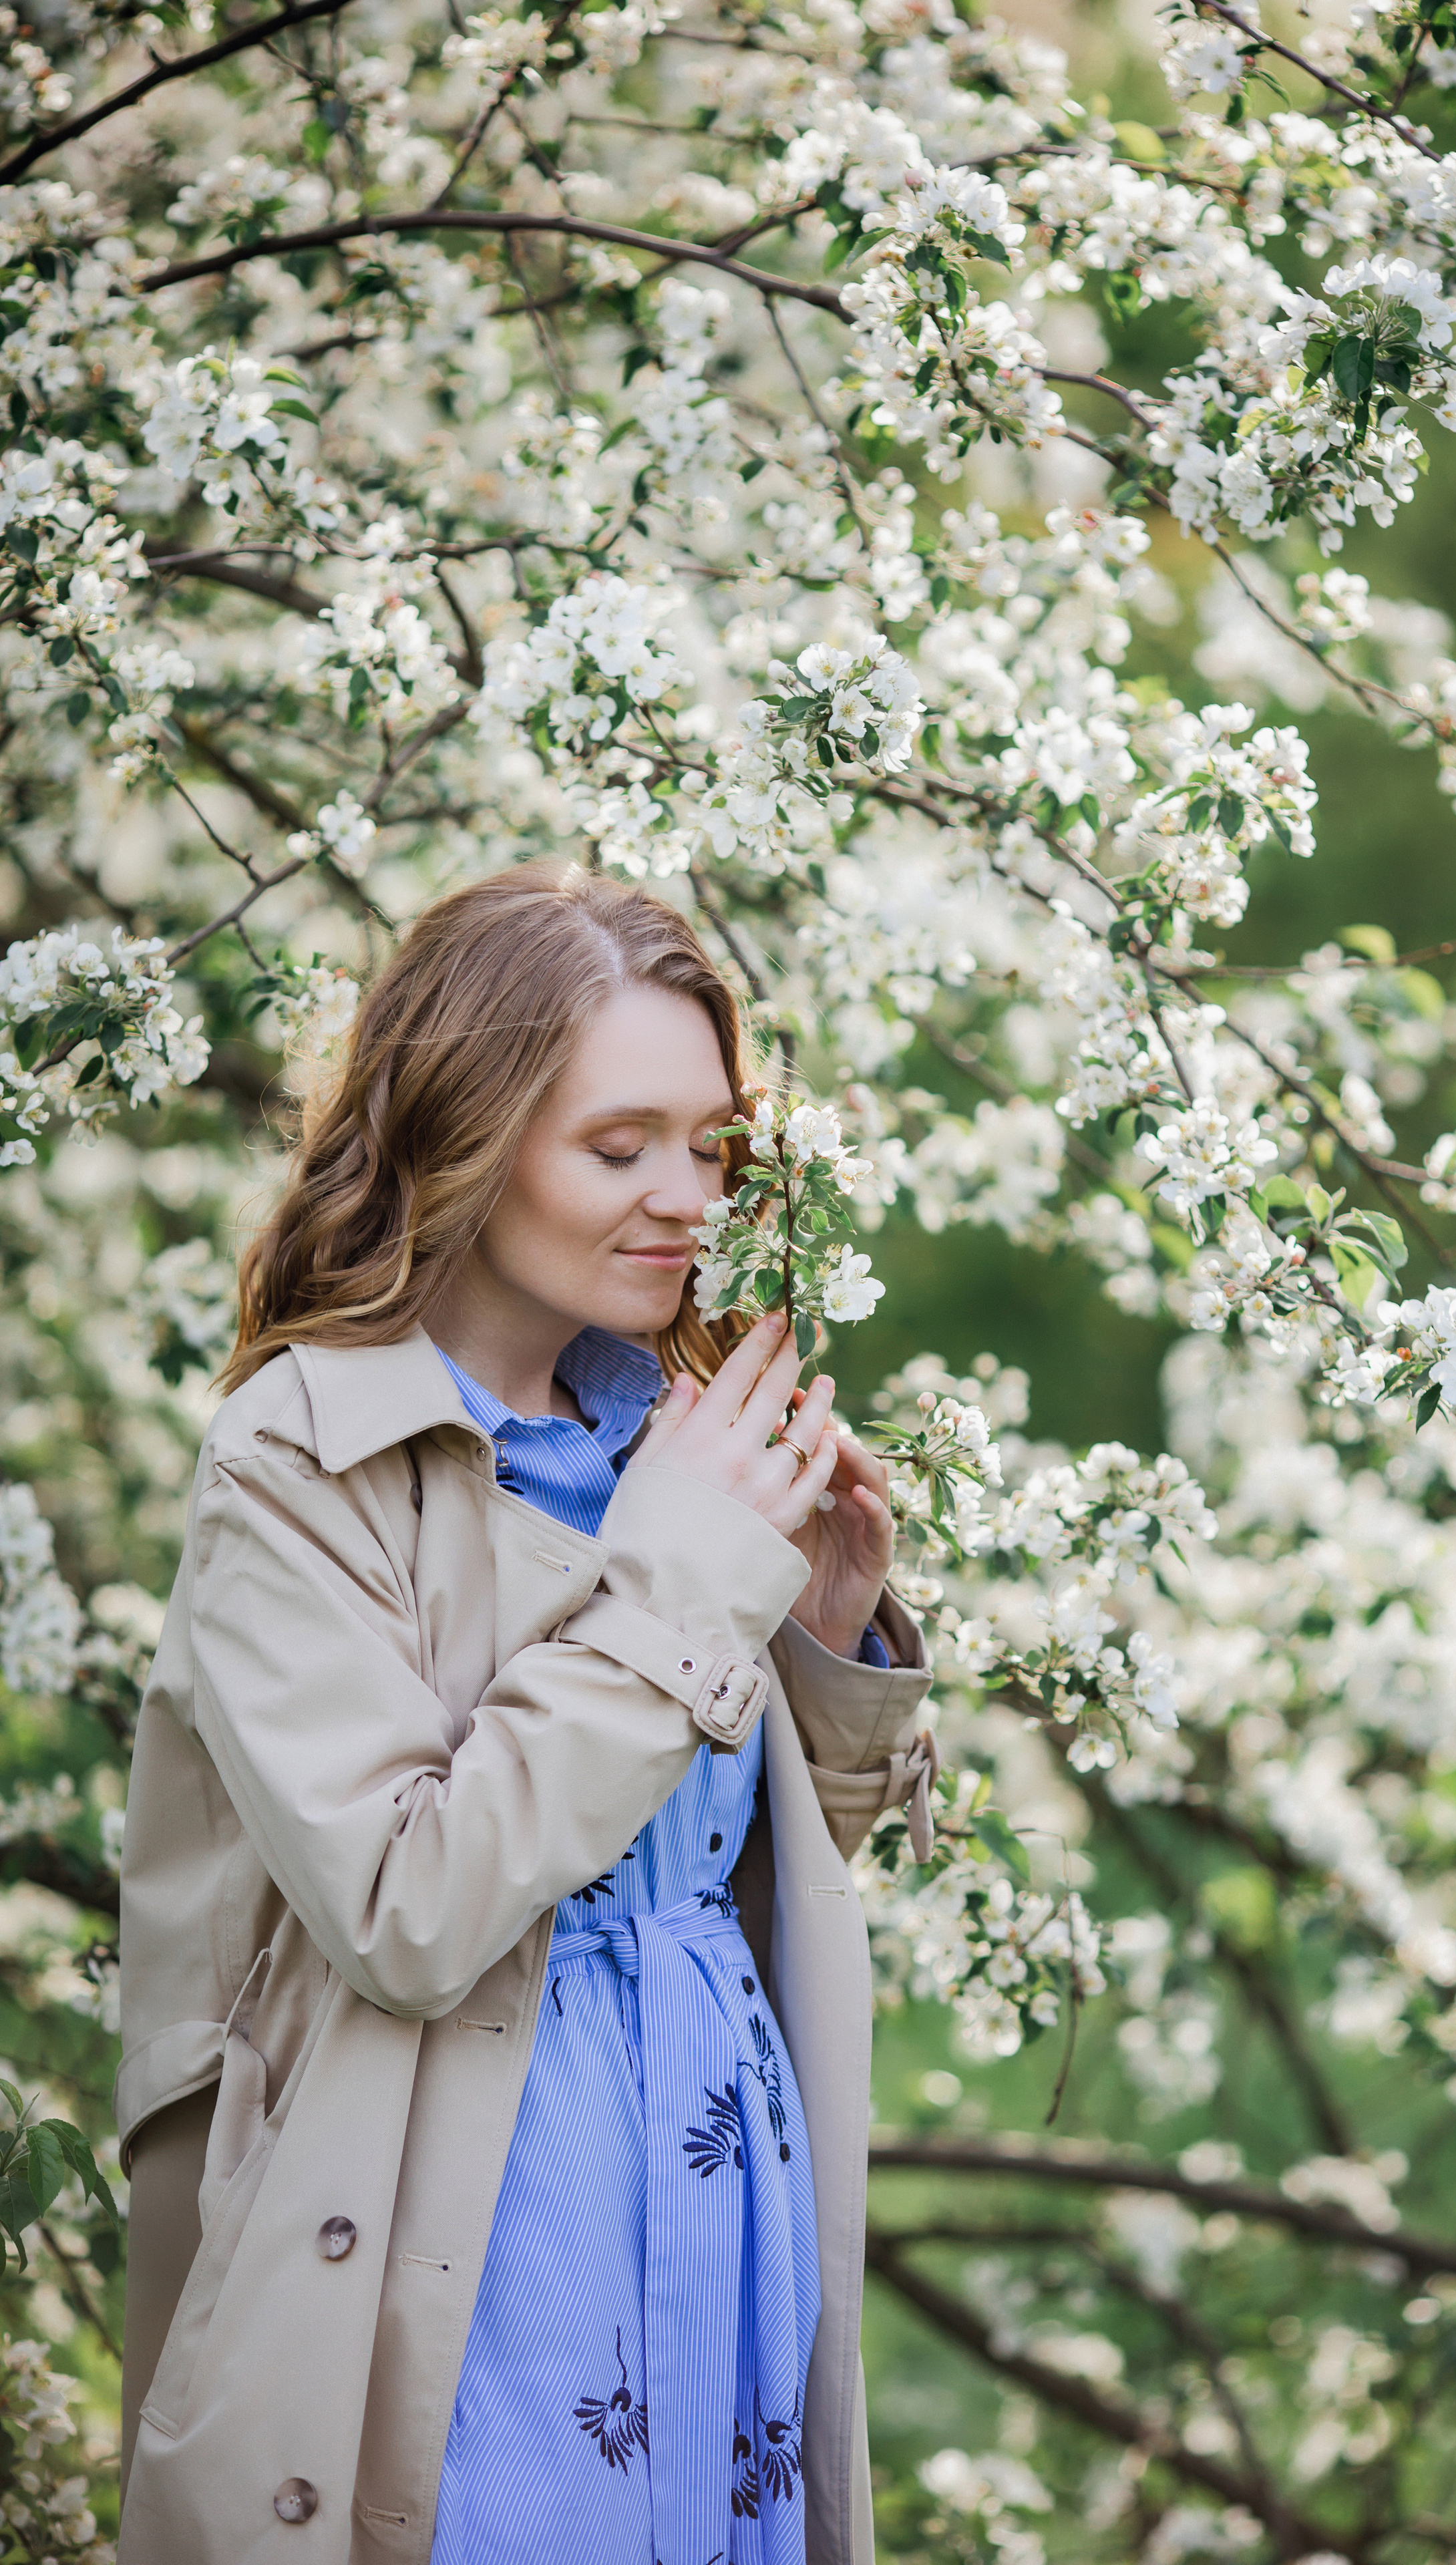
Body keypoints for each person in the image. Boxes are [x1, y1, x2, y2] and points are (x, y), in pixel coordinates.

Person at [115, 864, 938, 2565]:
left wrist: (825, 1645)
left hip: (716, 2176)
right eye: (617, 1145)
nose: (685, 1199)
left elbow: (673, 1881)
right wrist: (689, 1585)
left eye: (712, 1146)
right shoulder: (297, 1461)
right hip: (476, 2210)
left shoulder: (669, 1428)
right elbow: (415, 1906)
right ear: (464, 1134)